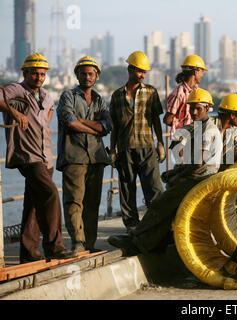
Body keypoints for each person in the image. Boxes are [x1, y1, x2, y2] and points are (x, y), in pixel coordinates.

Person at [107, 88, 221, 255]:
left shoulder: (208, 130)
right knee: (167, 204)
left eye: (198, 109)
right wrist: (176, 172)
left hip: (200, 179)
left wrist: (180, 174)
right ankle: (157, 241)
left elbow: (197, 164)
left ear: (207, 109)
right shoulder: (198, 127)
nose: (194, 112)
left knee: (161, 204)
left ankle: (138, 241)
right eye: (191, 108)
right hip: (196, 176)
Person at [0, 53, 76, 263]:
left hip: (46, 157)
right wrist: (14, 114)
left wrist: (40, 124)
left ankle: (28, 253)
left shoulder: (46, 96)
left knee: (33, 205)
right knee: (51, 194)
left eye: (42, 74)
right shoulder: (16, 89)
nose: (39, 77)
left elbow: (49, 111)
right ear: (25, 73)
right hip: (27, 156)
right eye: (34, 73)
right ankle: (54, 247)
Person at [56, 56, 112, 253]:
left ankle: (90, 244)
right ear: (77, 76)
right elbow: (69, 121)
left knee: (92, 203)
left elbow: (107, 126)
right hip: (75, 157)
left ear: (96, 76)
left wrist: (84, 122)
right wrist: (95, 128)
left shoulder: (99, 100)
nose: (87, 77)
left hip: (96, 158)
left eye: (91, 74)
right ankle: (78, 243)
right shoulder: (67, 96)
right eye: (83, 73)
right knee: (74, 202)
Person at [109, 51, 166, 234]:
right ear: (130, 69)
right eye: (138, 71)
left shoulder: (151, 92)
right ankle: (132, 225)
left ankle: (156, 224)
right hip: (125, 148)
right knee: (127, 190)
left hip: (147, 147)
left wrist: (160, 144)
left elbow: (156, 120)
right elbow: (114, 126)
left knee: (155, 189)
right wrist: (113, 150)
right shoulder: (117, 96)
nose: (141, 75)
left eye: (144, 72)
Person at [164, 54, 208, 138]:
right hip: (182, 140)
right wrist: (181, 127)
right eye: (202, 71)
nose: (202, 75)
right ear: (196, 72)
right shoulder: (179, 93)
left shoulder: (196, 91)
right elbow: (167, 119)